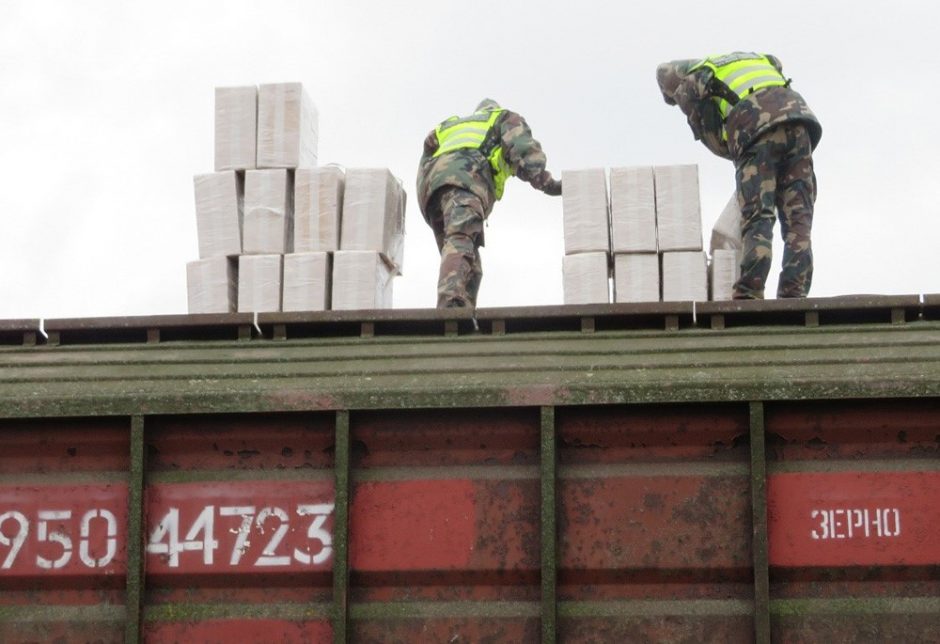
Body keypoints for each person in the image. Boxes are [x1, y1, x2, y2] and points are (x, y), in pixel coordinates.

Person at [657, 53, 822, 299]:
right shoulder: (750, 60)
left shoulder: (692, 80)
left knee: (758, 214)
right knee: (798, 218)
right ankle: (794, 293)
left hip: (755, 125)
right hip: (799, 122)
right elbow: (777, 63)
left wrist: (741, 159)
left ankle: (749, 291)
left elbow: (710, 134)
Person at [417, 99, 562, 308]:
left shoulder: (448, 126)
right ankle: (450, 306)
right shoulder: (501, 117)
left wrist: (429, 202)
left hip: (432, 192)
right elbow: (521, 148)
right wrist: (547, 183)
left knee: (470, 264)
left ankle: (464, 309)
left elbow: (425, 157)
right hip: (465, 180)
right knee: (461, 239)